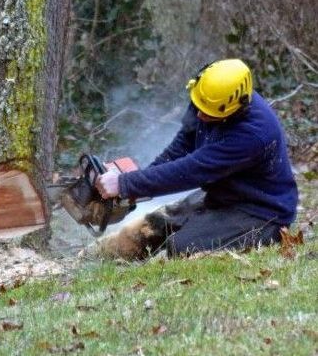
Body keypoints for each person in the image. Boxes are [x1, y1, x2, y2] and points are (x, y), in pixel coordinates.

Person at [95, 58, 298, 258]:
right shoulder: (208, 97)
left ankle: (265, 236)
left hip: (259, 211)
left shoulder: (254, 135)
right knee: (149, 227)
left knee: (181, 247)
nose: (200, 116)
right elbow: (183, 144)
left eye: (208, 114)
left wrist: (125, 183)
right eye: (198, 106)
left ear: (236, 108)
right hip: (224, 192)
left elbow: (191, 171)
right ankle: (92, 256)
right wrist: (137, 184)